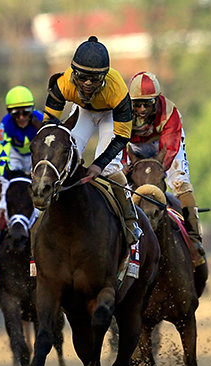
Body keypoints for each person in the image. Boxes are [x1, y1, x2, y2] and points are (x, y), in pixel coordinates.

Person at [42, 35, 140, 246]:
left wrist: (98, 164)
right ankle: (44, 213)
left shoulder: (118, 91)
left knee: (108, 169)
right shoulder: (62, 84)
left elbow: (122, 136)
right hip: (83, 111)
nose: (87, 84)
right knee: (63, 159)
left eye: (94, 79)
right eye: (82, 77)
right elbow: (48, 127)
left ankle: (130, 219)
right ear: (73, 73)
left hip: (109, 115)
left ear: (104, 77)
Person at [126, 71, 204, 256]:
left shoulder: (170, 112)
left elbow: (168, 152)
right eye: (137, 104)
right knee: (119, 180)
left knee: (181, 183)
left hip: (164, 143)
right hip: (133, 144)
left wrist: (155, 174)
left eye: (148, 103)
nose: (143, 109)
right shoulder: (121, 111)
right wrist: (125, 168)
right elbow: (117, 142)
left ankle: (194, 238)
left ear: (157, 99)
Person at [0, 86, 44, 264]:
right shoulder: (4, 125)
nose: (21, 117)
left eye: (25, 112)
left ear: (32, 110)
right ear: (9, 113)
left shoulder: (41, 120)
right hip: (14, 156)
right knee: (4, 201)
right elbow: (0, 153)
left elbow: (46, 148)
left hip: (35, 155)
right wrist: (7, 173)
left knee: (44, 195)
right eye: (16, 114)